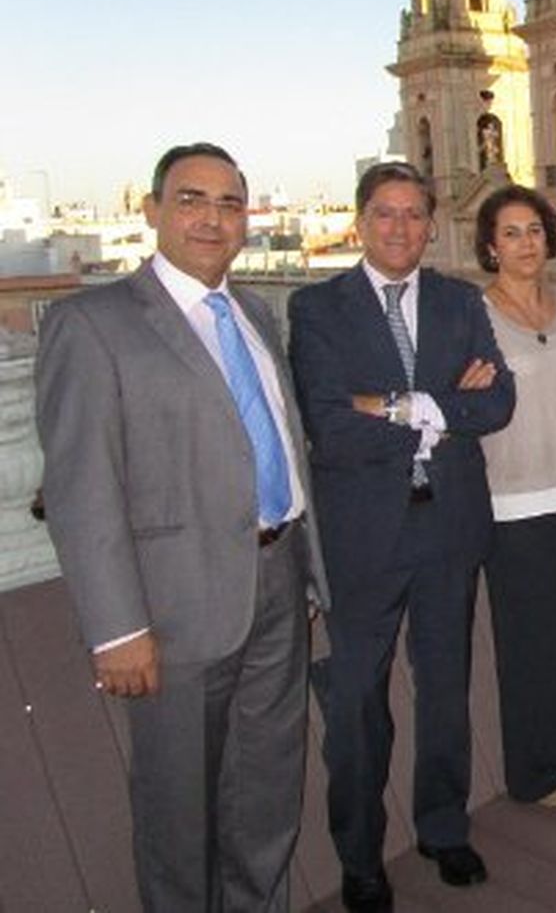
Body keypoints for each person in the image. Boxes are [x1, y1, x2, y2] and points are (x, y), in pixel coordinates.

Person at [35, 142, 330, 910]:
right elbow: (79, 487)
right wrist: (116, 629)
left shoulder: (255, 313)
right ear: (152, 210)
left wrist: (302, 572)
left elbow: (280, 443)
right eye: (193, 199)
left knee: (265, 791)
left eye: (230, 203)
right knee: (177, 812)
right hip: (172, 611)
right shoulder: (92, 323)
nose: (213, 218)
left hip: (278, 584)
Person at [289, 162, 513, 911]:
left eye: (415, 214)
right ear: (359, 221)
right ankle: (360, 857)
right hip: (362, 536)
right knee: (356, 699)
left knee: (446, 686)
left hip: (449, 526)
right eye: (385, 213)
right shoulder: (318, 308)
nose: (400, 228)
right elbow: (329, 423)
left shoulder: (458, 301)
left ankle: (444, 828)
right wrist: (443, 408)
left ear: (432, 222)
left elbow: (499, 401)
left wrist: (394, 405)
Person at [475, 185, 556, 807]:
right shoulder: (475, 316)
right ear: (491, 247)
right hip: (512, 503)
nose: (526, 243)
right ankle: (535, 773)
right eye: (511, 233)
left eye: (534, 231)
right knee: (529, 644)